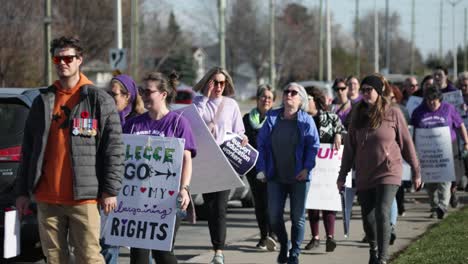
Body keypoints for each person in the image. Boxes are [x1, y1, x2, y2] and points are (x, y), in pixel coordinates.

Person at [15, 36, 124, 264]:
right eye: (58, 58)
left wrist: (110, 190)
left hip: (84, 199)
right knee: (54, 258)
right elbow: (28, 150)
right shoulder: (42, 100)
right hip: (47, 197)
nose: (62, 62)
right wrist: (23, 192)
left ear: (79, 60)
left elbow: (113, 149)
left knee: (89, 257)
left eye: (68, 58)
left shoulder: (98, 99)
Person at [337, 74, 421, 264]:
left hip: (389, 171)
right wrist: (342, 176)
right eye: (363, 90)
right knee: (368, 219)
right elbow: (349, 149)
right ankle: (374, 250)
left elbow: (407, 143)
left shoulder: (393, 113)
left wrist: (416, 170)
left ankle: (383, 258)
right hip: (365, 173)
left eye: (369, 90)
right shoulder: (357, 114)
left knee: (382, 211)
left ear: (379, 91)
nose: (365, 93)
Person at [123, 72, 196, 264]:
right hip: (137, 200)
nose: (144, 95)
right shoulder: (132, 125)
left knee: (162, 252)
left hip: (168, 200)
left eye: (148, 91)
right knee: (138, 255)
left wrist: (184, 188)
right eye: (141, 91)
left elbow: (187, 159)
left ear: (163, 94)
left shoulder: (178, 123)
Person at [257, 82, 320, 264]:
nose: (289, 95)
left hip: (299, 177)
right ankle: (285, 244)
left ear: (301, 99)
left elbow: (312, 146)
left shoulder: (306, 120)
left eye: (294, 92)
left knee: (297, 218)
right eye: (286, 92)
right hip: (275, 176)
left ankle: (295, 253)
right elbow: (261, 144)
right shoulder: (272, 117)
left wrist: (307, 168)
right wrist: (261, 168)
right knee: (275, 216)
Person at [192, 67, 247, 264]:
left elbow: (239, 130)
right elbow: (193, 124)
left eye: (222, 83)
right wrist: (205, 98)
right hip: (207, 162)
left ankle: (218, 251)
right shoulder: (198, 102)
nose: (218, 86)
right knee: (211, 208)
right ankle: (215, 244)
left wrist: (244, 138)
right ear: (208, 82)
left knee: (221, 208)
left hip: (225, 161)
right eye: (215, 82)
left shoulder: (231, 104)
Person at [100, 74, 145, 264]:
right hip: (111, 191)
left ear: (128, 96)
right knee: (108, 244)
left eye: (115, 94)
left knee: (140, 246)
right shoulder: (103, 118)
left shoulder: (140, 122)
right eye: (108, 93)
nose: (110, 97)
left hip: (136, 194)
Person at [411, 86, 468, 219]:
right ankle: (434, 206)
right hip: (426, 151)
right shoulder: (418, 111)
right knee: (430, 181)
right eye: (429, 100)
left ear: (440, 100)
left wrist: (466, 142)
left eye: (434, 101)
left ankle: (442, 206)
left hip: (447, 148)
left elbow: (460, 125)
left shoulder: (448, 109)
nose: (431, 103)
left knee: (445, 178)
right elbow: (412, 130)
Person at [303, 86, 344, 252]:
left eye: (308, 98)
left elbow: (342, 128)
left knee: (328, 200)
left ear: (316, 100)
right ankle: (315, 237)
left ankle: (330, 237)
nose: (306, 102)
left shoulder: (331, 117)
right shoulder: (301, 119)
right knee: (312, 202)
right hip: (309, 167)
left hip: (327, 168)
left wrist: (338, 134)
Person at [242, 84, 277, 251]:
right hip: (254, 169)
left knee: (272, 202)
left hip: (273, 167)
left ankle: (273, 234)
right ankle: (264, 236)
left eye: (270, 97)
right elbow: (239, 136)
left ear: (273, 101)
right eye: (263, 97)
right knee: (260, 204)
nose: (266, 100)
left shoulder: (278, 119)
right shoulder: (247, 119)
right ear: (258, 99)